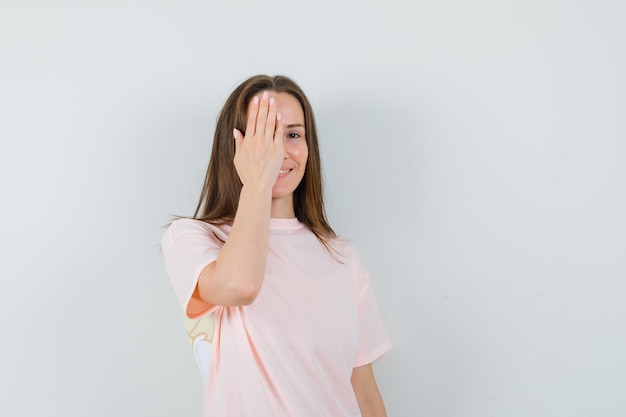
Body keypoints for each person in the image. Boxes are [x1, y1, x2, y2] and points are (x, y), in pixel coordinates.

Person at [161, 74, 391, 417]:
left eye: (293, 135)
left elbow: (363, 390)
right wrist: (257, 179)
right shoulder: (194, 238)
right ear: (236, 148)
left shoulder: (341, 256)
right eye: (263, 136)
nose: (278, 151)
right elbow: (240, 285)